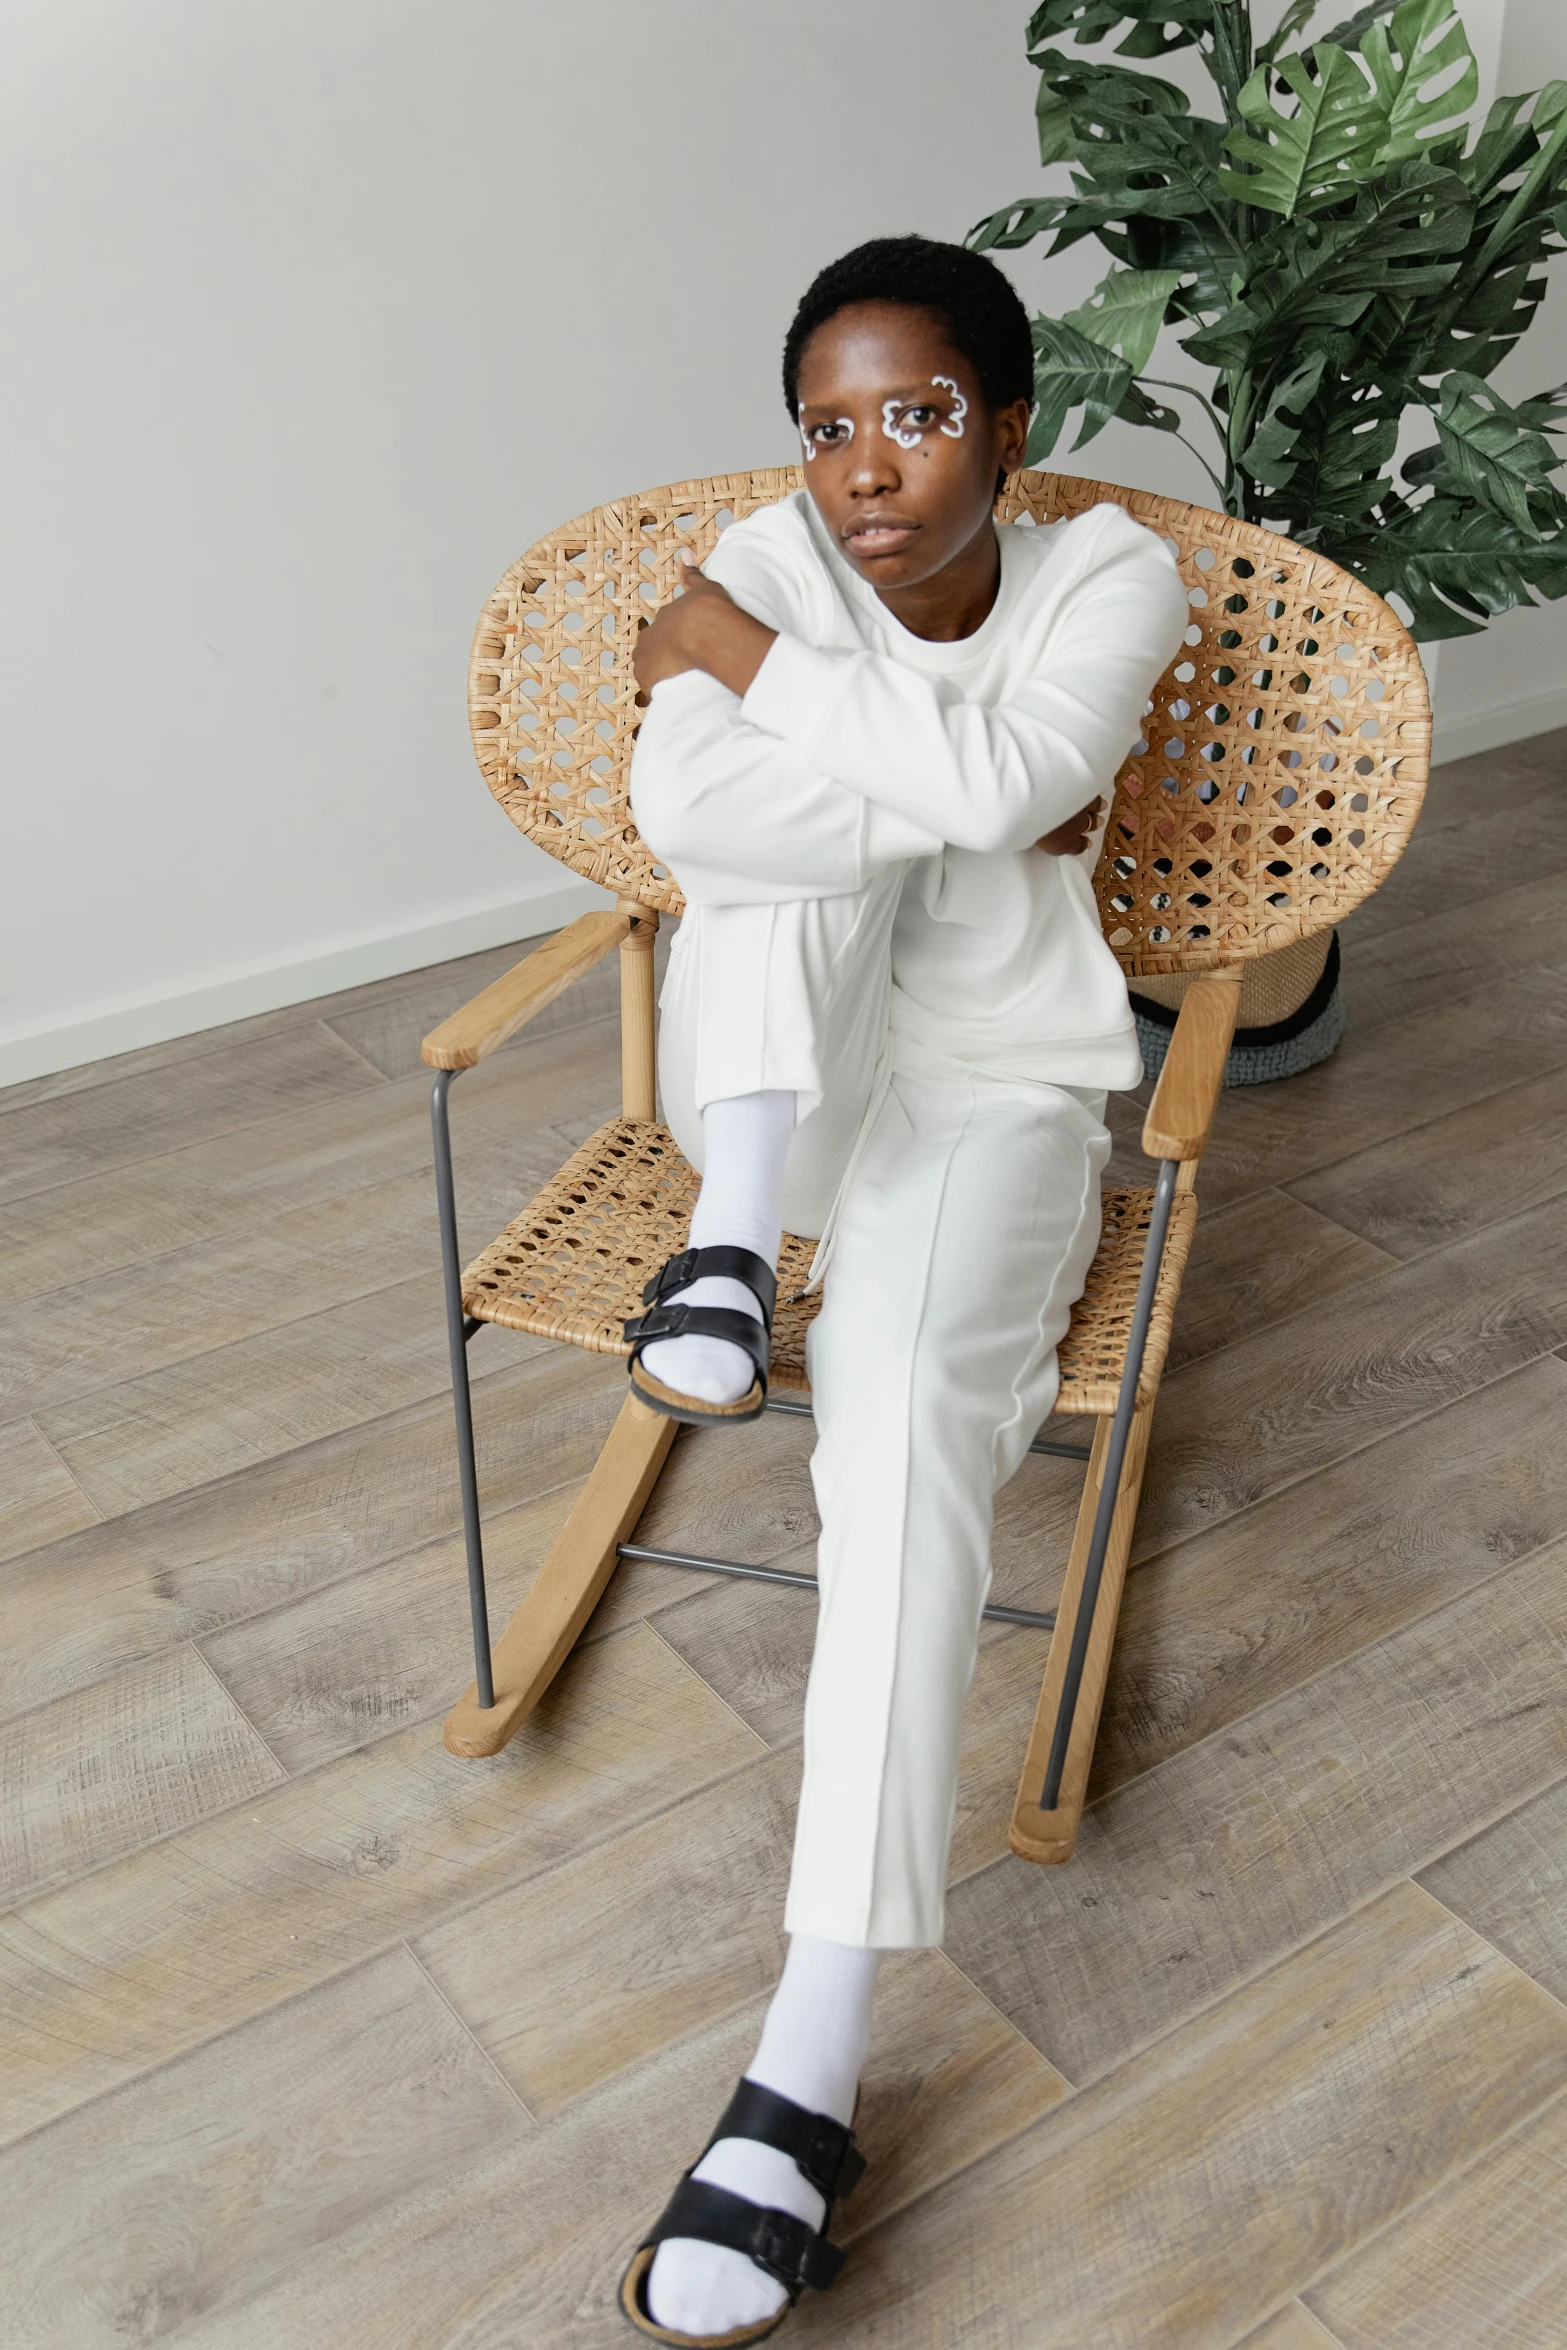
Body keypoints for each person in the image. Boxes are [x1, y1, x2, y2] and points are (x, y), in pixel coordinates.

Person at [615, 234, 1188, 2346]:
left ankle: (804, 2067)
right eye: (833, 424)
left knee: (902, 1460)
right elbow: (691, 809)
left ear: (1011, 431)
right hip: (791, 1083)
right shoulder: (768, 545)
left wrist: (763, 678)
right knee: (760, 874)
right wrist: (960, 781)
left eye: (922, 414)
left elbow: (1015, 790)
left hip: (999, 1092)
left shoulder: (1110, 573)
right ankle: (737, 1250)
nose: (867, 468)